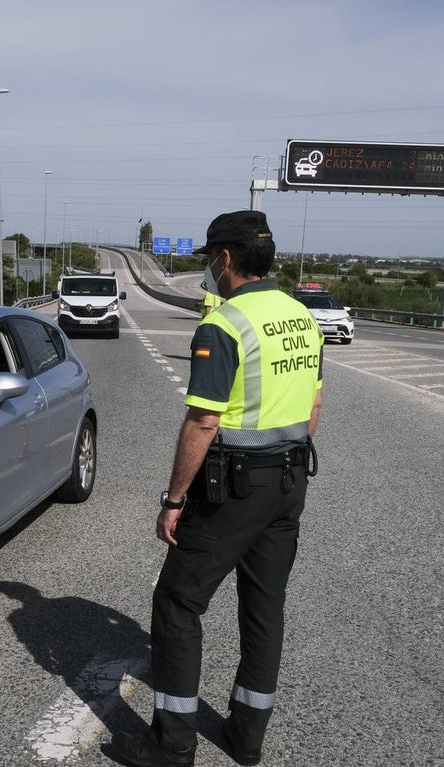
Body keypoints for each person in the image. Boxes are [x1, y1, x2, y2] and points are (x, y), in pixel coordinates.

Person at [110, 210, 323, 767]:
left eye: (209, 258)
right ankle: (246, 737)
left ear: (225, 259)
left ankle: (172, 744)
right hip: (290, 479)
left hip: (235, 486)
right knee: (264, 606)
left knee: (177, 602)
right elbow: (314, 404)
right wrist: (287, 458)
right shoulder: (302, 317)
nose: (208, 268)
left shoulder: (225, 324)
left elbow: (204, 422)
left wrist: (175, 499)